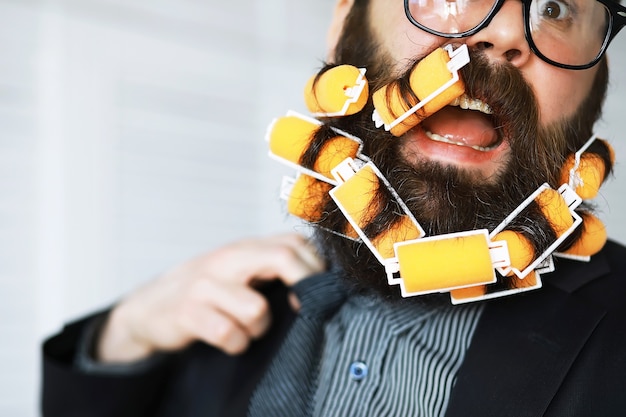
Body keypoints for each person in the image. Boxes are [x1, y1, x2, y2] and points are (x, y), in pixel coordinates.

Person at [42, 0, 626, 415]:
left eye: (554, 7)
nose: (502, 34)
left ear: (594, 82)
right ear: (347, 20)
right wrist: (124, 336)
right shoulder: (222, 308)